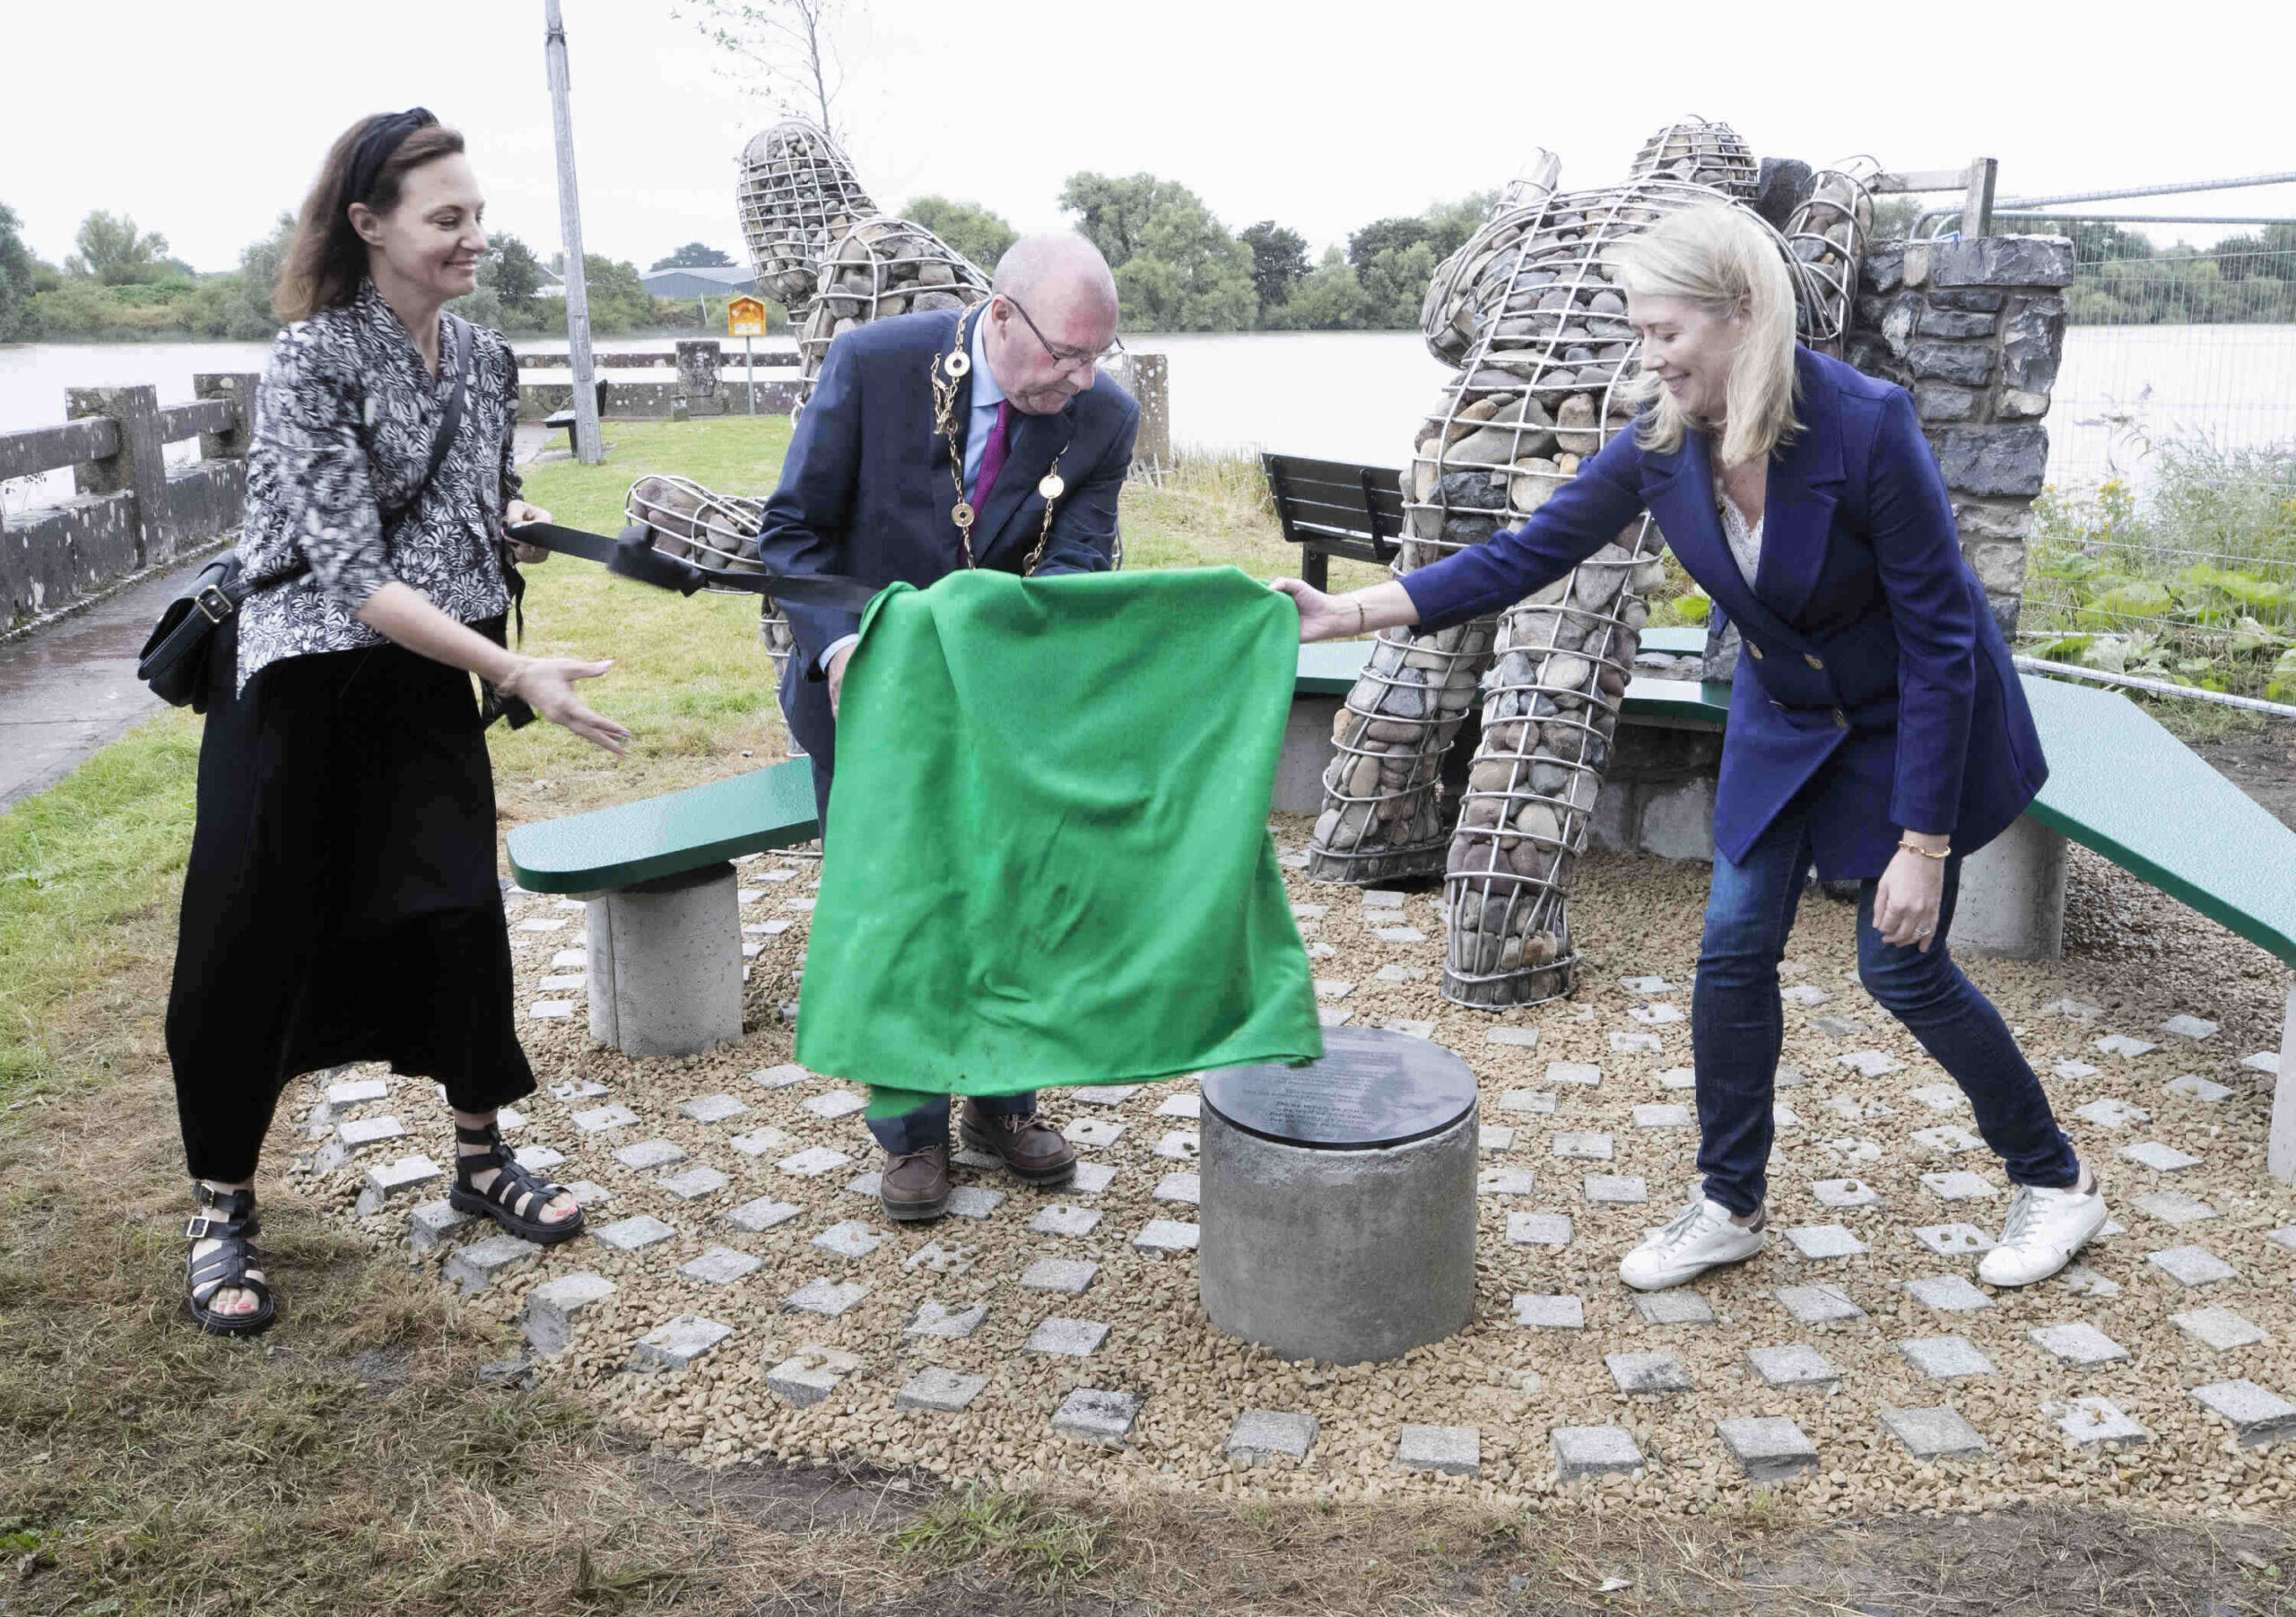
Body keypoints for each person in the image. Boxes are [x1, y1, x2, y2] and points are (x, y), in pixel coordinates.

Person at [1275, 203, 2107, 1292]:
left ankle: (2054, 1181)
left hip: (1912, 718)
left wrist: (1924, 842)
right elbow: (1527, 552)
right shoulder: (1662, 441)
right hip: (1785, 718)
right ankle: (1728, 1203)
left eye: (1664, 330)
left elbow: (1944, 642)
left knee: (1897, 968)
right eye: (1639, 329)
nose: (1646, 354)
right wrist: (1356, 614)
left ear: (1741, 317)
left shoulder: (1865, 425)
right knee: (1728, 951)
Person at [167, 109, 630, 1335]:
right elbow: (353, 577)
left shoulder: (485, 356)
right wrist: (517, 672)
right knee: (252, 933)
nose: (476, 235)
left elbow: (480, 493)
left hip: (424, 675)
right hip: (300, 676)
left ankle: (481, 1159)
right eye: (448, 219)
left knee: (460, 914)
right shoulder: (310, 359)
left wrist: (510, 521)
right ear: (368, 226)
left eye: (479, 212)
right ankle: (222, 1207)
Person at [756, 234, 1140, 1221]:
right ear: (1002, 316)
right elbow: (791, 532)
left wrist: (1019, 647)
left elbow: (1079, 558)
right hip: (863, 692)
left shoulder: (1101, 416)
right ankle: (911, 1131)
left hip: (996, 700)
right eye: (1065, 353)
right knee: (897, 907)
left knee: (1010, 891)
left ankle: (1004, 1106)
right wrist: (844, 650)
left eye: (1098, 355)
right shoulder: (876, 364)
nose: (1082, 376)